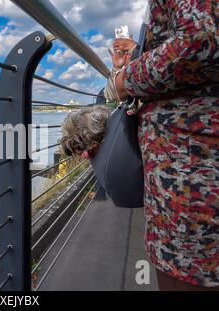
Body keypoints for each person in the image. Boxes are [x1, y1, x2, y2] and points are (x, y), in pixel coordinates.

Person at [107, 0, 218, 290]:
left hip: (191, 167)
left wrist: (122, 82)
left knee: (186, 271)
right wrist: (136, 54)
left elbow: (200, 39)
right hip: (186, 162)